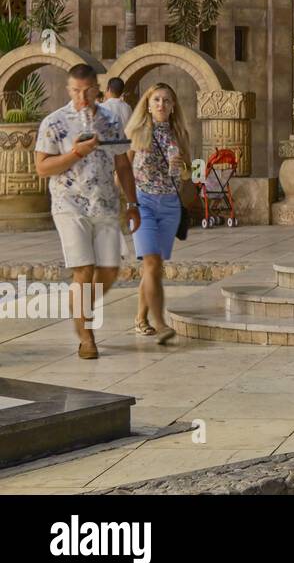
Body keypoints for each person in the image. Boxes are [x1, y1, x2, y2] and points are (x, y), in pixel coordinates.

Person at [34, 64, 140, 360]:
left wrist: (132, 204)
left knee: (108, 270)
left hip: (104, 203)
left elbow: (122, 164)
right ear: (69, 90)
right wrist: (76, 153)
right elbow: (42, 167)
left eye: (87, 90)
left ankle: (80, 307)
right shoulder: (54, 122)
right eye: (75, 91)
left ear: (97, 88)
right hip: (69, 204)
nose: (81, 97)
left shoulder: (110, 120)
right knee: (83, 269)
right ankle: (86, 337)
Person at [124, 83, 191, 345]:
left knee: (154, 267)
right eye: (156, 100)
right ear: (148, 105)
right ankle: (160, 323)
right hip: (144, 203)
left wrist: (183, 165)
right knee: (151, 263)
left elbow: (190, 173)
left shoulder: (180, 133)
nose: (161, 104)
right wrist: (129, 200)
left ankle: (141, 319)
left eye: (166, 100)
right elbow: (122, 170)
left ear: (173, 106)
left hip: (171, 204)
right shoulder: (136, 132)